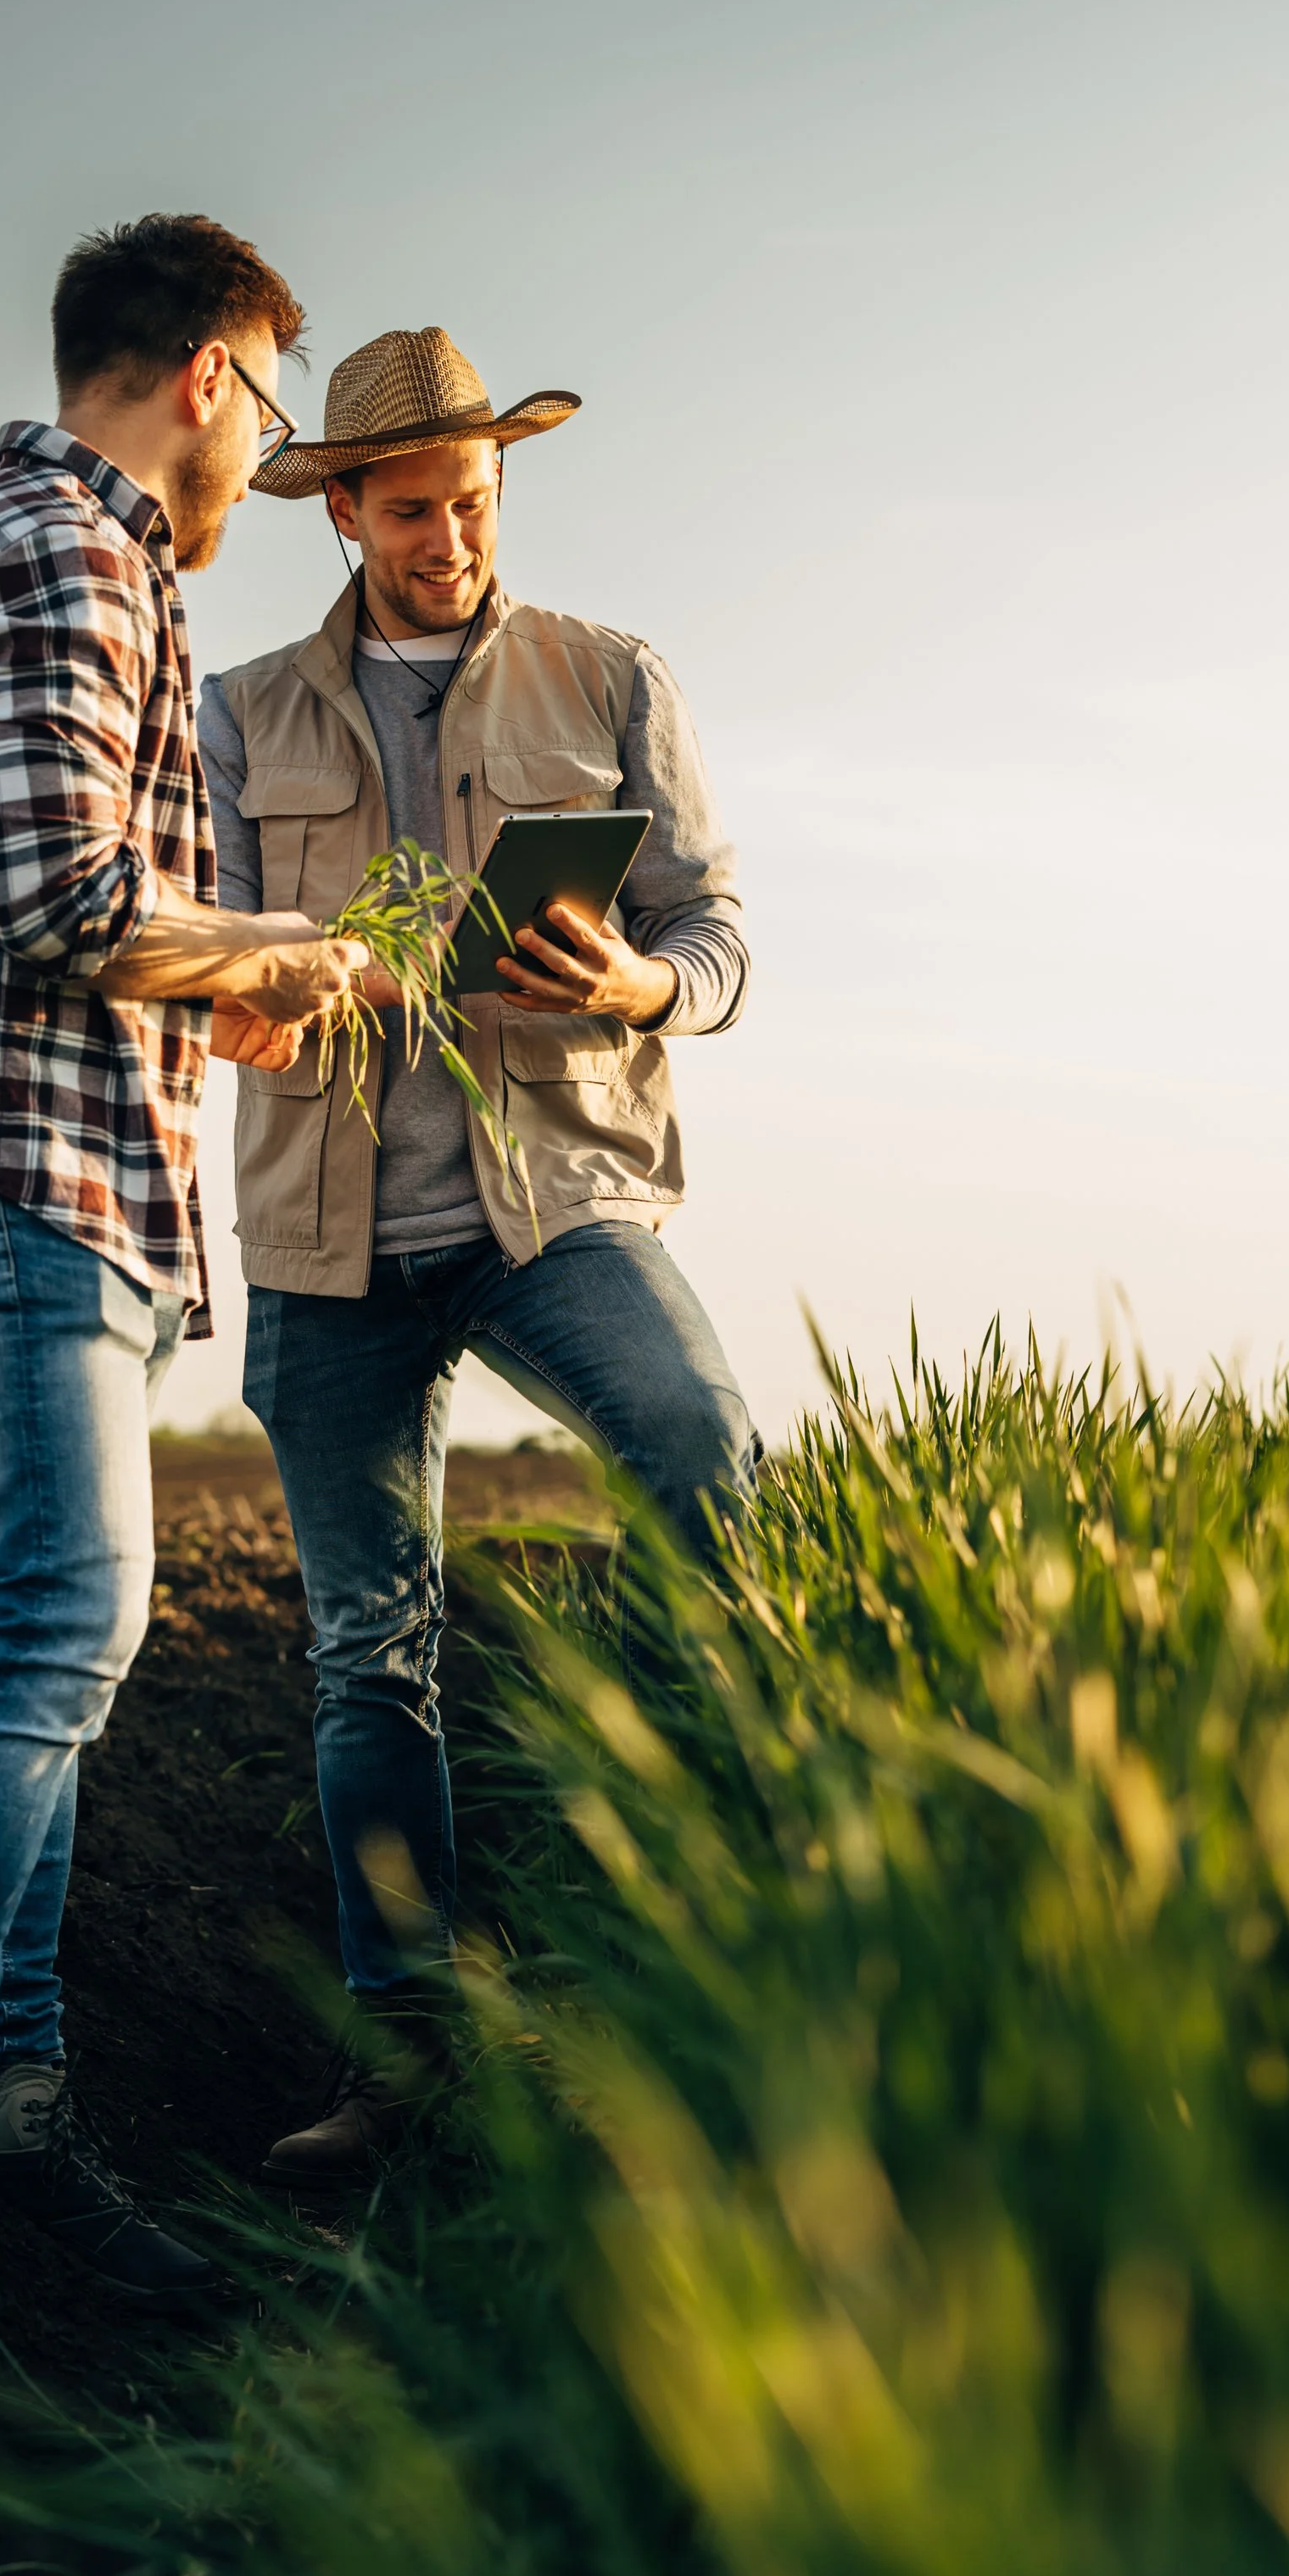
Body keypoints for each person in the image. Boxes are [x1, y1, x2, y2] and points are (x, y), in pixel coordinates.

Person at [0, 216, 360, 2333]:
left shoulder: (74, 558)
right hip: (16, 1176)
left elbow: (98, 920)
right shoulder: (66, 550)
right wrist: (306, 950)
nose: (261, 450)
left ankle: (10, 2123)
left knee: (59, 1642)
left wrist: (220, 997)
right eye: (269, 399)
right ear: (207, 369)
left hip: (70, 1170)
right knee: (53, 1624)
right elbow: (61, 897)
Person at [198, 325, 761, 2188]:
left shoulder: (609, 671)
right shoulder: (236, 712)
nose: (448, 534)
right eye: (412, 506)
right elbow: (187, 955)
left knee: (700, 1455)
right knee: (374, 1656)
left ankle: (682, 1962)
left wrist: (641, 983)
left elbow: (715, 928)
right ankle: (411, 2062)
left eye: (473, 500)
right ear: (339, 509)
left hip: (558, 1202)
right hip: (330, 1238)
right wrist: (241, 1001)